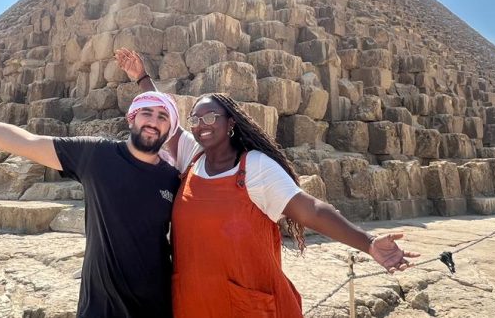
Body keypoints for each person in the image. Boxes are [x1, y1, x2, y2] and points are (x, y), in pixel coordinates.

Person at [116, 48, 420, 318]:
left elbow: (311, 210)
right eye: (195, 119)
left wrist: (368, 243)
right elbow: (165, 120)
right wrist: (141, 77)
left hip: (245, 306)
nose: (200, 125)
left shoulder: (256, 167)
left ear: (230, 123)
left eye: (210, 118)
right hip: (192, 303)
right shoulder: (192, 157)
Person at [0, 86, 182, 318]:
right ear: (132, 118)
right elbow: (27, 142)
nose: (153, 122)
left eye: (163, 117)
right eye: (147, 113)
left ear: (170, 128)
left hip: (156, 306)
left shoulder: (173, 178)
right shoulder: (97, 156)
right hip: (102, 307)